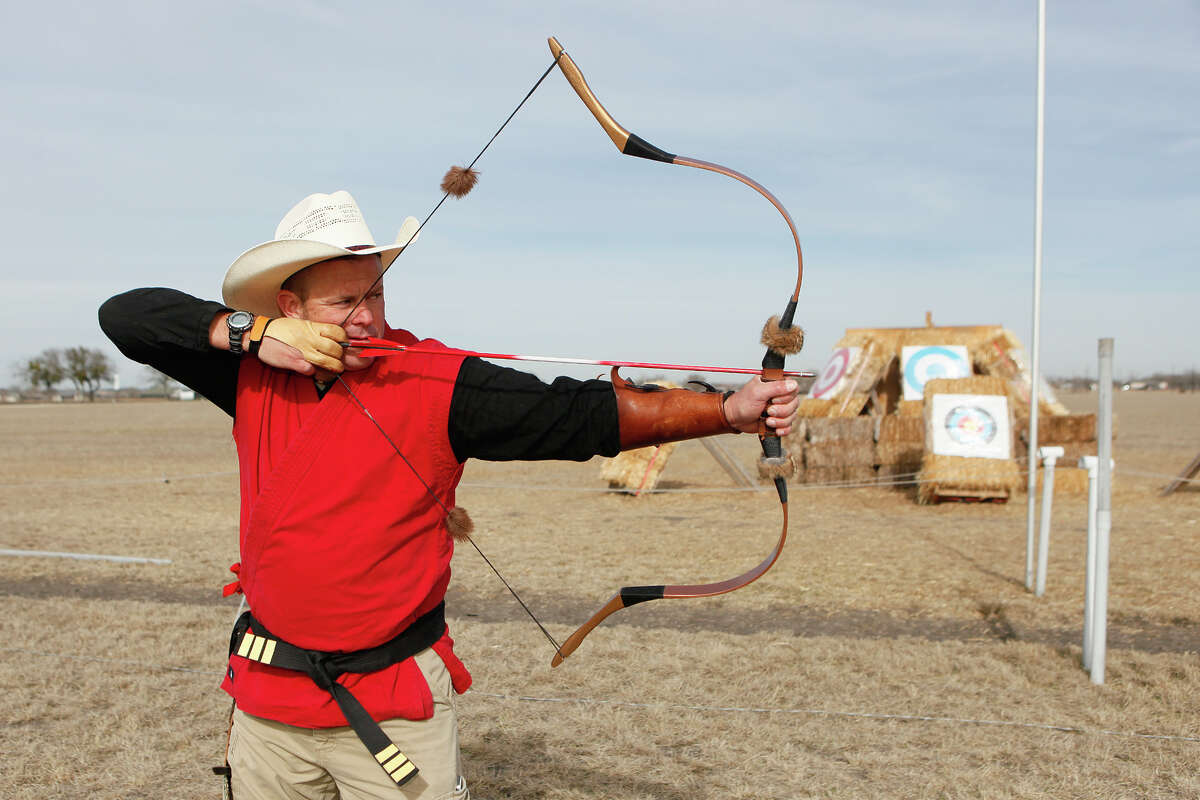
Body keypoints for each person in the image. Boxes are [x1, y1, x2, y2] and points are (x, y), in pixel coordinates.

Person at [99, 190, 799, 800]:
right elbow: (124, 316)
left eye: (375, 295)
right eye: (343, 302)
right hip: (268, 698)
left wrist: (728, 411)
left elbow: (574, 414)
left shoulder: (432, 379)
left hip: (392, 700)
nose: (366, 318)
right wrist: (251, 335)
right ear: (291, 308)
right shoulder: (251, 373)